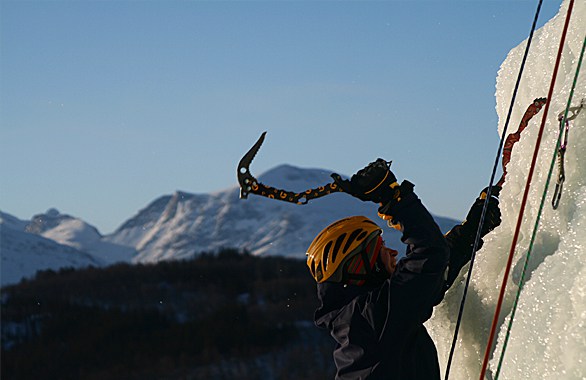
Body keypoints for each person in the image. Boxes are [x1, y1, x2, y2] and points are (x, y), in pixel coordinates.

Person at [306, 159, 501, 380]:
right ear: (360, 264)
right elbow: (429, 256)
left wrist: (473, 230)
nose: (393, 253)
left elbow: (432, 275)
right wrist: (394, 200)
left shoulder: (363, 321)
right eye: (381, 249)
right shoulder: (372, 317)